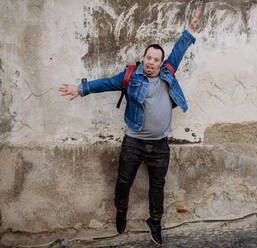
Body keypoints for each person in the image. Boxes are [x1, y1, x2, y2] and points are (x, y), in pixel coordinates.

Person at [59, 10, 201, 246]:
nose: (151, 62)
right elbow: (104, 83)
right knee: (124, 181)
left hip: (160, 145)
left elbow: (180, 49)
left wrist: (191, 29)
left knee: (157, 187)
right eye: (148, 58)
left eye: (156, 59)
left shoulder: (168, 72)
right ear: (143, 58)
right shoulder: (130, 76)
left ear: (161, 62)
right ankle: (121, 211)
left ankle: (154, 222)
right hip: (133, 142)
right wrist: (80, 89)